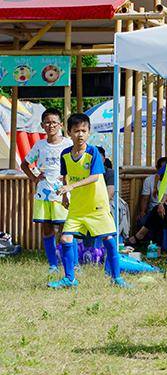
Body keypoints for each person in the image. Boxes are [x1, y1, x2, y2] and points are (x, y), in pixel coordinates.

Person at [49, 113, 128, 289]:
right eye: (76, 131)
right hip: (77, 207)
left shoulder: (92, 152)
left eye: (84, 130)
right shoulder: (65, 155)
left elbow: (94, 177)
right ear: (68, 132)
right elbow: (65, 177)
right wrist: (64, 196)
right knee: (65, 239)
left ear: (89, 132)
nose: (80, 134)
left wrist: (71, 187)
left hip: (97, 205)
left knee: (108, 239)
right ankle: (70, 279)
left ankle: (117, 278)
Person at [21, 108, 73, 273]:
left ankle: (72, 264)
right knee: (47, 229)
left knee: (67, 228)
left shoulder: (68, 144)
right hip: (44, 193)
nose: (51, 125)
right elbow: (25, 164)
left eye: (54, 122)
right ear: (43, 125)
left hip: (63, 192)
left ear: (61, 125)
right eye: (47, 122)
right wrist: (35, 178)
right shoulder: (39, 145)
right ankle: (52, 265)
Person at [128, 156, 167, 246]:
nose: (163, 172)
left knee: (157, 216)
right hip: (153, 210)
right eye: (161, 169)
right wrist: (142, 212)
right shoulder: (149, 180)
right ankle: (147, 242)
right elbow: (145, 198)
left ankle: (141, 238)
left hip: (165, 210)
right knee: (143, 220)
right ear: (157, 168)